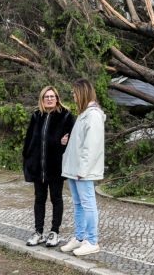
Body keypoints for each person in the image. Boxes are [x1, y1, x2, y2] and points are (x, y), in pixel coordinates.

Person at [22, 85, 75, 247]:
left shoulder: (65, 116)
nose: (50, 99)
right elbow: (29, 140)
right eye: (47, 97)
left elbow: (74, 140)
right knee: (39, 199)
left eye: (52, 96)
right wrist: (27, 160)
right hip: (38, 167)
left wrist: (67, 142)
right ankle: (38, 232)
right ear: (42, 99)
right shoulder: (36, 115)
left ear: (57, 98)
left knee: (56, 198)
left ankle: (54, 232)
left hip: (56, 166)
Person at [59, 78, 106, 256]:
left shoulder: (93, 115)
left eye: (74, 92)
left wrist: (83, 171)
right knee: (78, 204)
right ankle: (79, 238)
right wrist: (67, 141)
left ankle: (92, 241)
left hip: (82, 171)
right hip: (74, 169)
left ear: (82, 92)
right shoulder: (83, 114)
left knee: (88, 204)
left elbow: (91, 146)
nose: (73, 96)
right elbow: (81, 142)